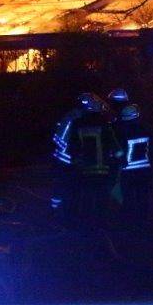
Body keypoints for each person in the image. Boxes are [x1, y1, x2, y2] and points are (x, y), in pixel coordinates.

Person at [51, 93, 124, 224]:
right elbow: (66, 142)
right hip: (71, 162)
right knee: (73, 190)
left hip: (78, 164)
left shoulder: (77, 119)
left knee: (80, 192)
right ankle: (63, 216)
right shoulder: (76, 119)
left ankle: (68, 217)